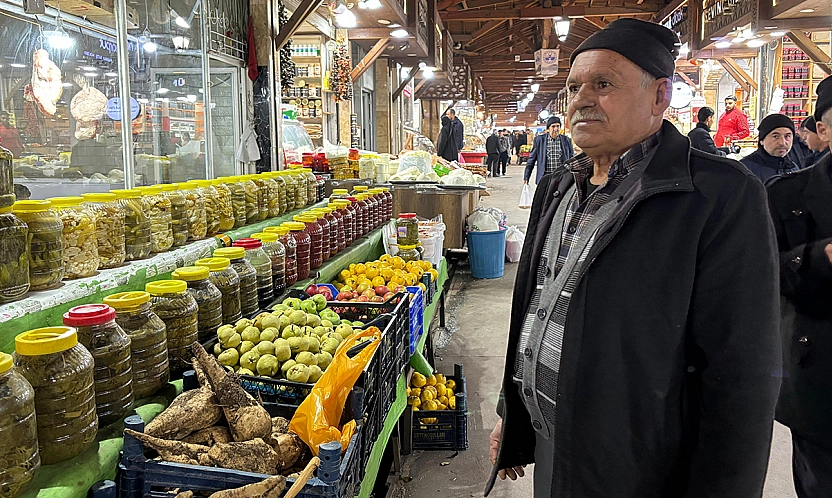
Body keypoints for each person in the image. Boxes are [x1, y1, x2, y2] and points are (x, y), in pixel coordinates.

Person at [487, 18, 780, 498]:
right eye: (574, 87)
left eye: (603, 84)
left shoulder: (718, 196)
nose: (581, 99)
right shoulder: (559, 185)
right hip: (555, 448)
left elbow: (742, 374)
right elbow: (537, 309)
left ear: (660, 96)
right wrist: (514, 415)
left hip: (644, 467)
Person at [766, 75, 832, 498]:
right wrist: (819, 258)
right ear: (823, 129)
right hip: (821, 383)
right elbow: (763, 277)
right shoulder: (787, 194)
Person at [740, 113, 800, 183]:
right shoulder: (745, 170)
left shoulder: (792, 167)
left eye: (787, 136)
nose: (782, 142)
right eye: (775, 137)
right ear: (762, 140)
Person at [523, 116, 574, 185]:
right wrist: (526, 176)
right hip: (545, 177)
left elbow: (571, 159)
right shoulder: (539, 140)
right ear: (548, 128)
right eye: (553, 126)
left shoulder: (566, 140)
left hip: (561, 177)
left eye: (558, 126)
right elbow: (531, 160)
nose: (556, 129)